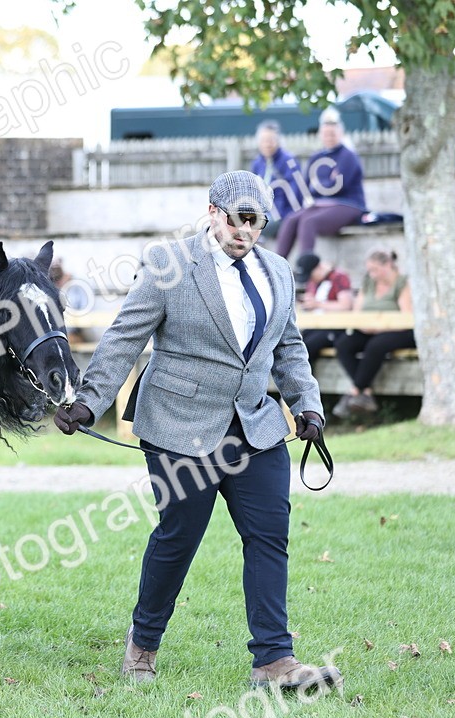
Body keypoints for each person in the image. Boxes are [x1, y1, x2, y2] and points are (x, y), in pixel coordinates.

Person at [53, 171, 341, 690]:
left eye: (257, 222)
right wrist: (87, 401)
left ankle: (274, 661)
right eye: (238, 219)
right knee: (179, 536)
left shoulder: (277, 271)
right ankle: (143, 644)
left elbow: (289, 346)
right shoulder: (169, 265)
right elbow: (124, 336)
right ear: (213, 212)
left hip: (254, 425)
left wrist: (309, 405)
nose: (246, 231)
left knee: (269, 537)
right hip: (179, 427)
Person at [330, 249, 413, 418]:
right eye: (370, 270)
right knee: (344, 344)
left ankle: (354, 391)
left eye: (375, 269)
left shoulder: (402, 282)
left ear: (388, 265)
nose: (372, 274)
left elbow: (407, 315)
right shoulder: (368, 282)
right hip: (368, 328)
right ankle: (365, 392)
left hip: (397, 329)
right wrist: (362, 324)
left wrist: (380, 326)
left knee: (376, 345)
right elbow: (357, 311)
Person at [274, 108, 367, 259]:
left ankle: (305, 269)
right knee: (291, 219)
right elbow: (306, 187)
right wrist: (325, 183)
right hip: (319, 205)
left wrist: (319, 184)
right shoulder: (316, 157)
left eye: (333, 133)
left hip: (348, 204)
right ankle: (275, 268)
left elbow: (338, 186)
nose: (329, 137)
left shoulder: (348, 156)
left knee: (308, 221)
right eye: (326, 134)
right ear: (320, 135)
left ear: (340, 134)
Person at [249, 120, 307, 241]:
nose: (267, 144)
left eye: (271, 140)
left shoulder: (289, 161)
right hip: (261, 214)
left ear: (278, 141)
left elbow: (295, 196)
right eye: (264, 140)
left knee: (253, 229)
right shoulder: (257, 163)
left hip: (283, 215)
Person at [297, 253, 354, 362]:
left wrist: (317, 304)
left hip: (336, 327)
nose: (310, 279)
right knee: (295, 344)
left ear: (318, 268)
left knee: (307, 347)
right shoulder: (314, 283)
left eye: (311, 275)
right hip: (317, 326)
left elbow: (346, 305)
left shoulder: (338, 277)